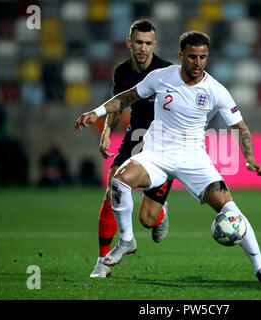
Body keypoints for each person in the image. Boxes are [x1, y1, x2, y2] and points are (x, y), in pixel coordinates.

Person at [75, 31, 261, 283]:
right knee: (119, 181)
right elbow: (127, 97)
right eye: (193, 57)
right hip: (155, 155)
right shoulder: (162, 77)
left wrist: (249, 158)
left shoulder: (216, 90)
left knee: (230, 211)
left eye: (203, 57)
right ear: (182, 55)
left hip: (193, 159)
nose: (198, 62)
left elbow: (241, 127)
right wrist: (96, 112)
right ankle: (127, 240)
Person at [89, 20, 173, 278]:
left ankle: (159, 212)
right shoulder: (122, 71)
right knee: (111, 191)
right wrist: (106, 132)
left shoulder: (167, 72)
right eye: (138, 42)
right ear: (129, 43)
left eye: (148, 43)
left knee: (147, 221)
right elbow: (118, 104)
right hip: (135, 136)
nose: (143, 48)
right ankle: (102, 261)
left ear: (154, 45)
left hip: (161, 143)